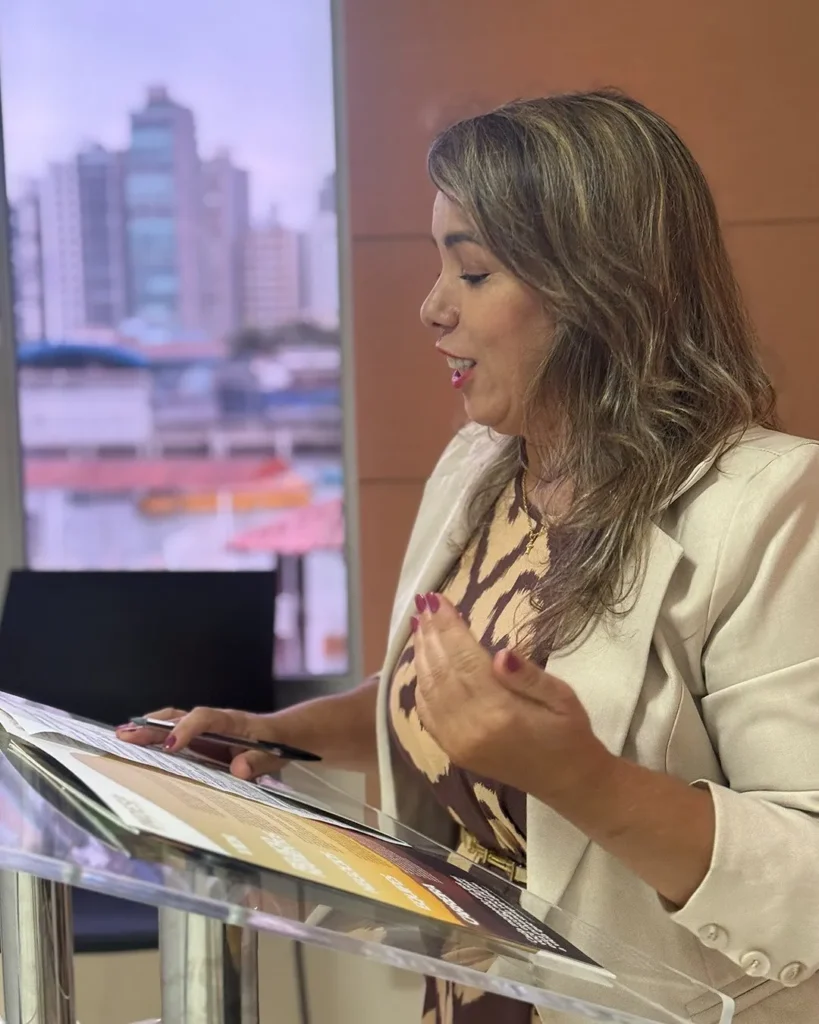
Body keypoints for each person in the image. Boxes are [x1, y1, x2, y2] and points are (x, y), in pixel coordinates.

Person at [120, 90, 819, 1023]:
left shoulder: (769, 504)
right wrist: (278, 733)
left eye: (474, 271)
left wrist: (580, 779)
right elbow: (460, 700)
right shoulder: (477, 466)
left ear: (599, 287)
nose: (431, 308)